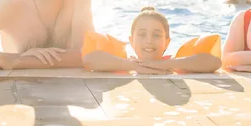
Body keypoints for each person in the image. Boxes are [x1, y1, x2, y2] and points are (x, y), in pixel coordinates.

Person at [82, 6, 221, 74]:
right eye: (142, 35)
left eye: (156, 35)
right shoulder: (126, 62)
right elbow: (90, 59)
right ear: (131, 41)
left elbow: (214, 62)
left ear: (167, 42)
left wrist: (163, 65)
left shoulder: (171, 63)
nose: (149, 40)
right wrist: (135, 67)